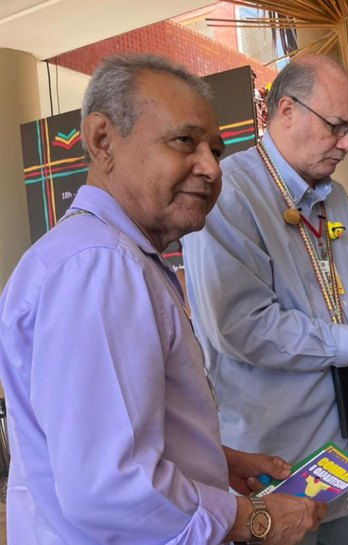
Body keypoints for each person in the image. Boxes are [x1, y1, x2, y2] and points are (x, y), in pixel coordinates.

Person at [0, 54, 325, 544]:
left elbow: (101, 442)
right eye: (184, 141)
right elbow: (109, 489)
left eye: (215, 149)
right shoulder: (100, 265)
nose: (211, 168)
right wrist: (255, 519)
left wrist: (213, 462)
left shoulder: (107, 256)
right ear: (102, 140)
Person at [182, 54, 348, 545]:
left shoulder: (335, 197)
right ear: (286, 110)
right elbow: (242, 327)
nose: (346, 144)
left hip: (343, 448)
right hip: (273, 461)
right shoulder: (231, 194)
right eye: (336, 126)